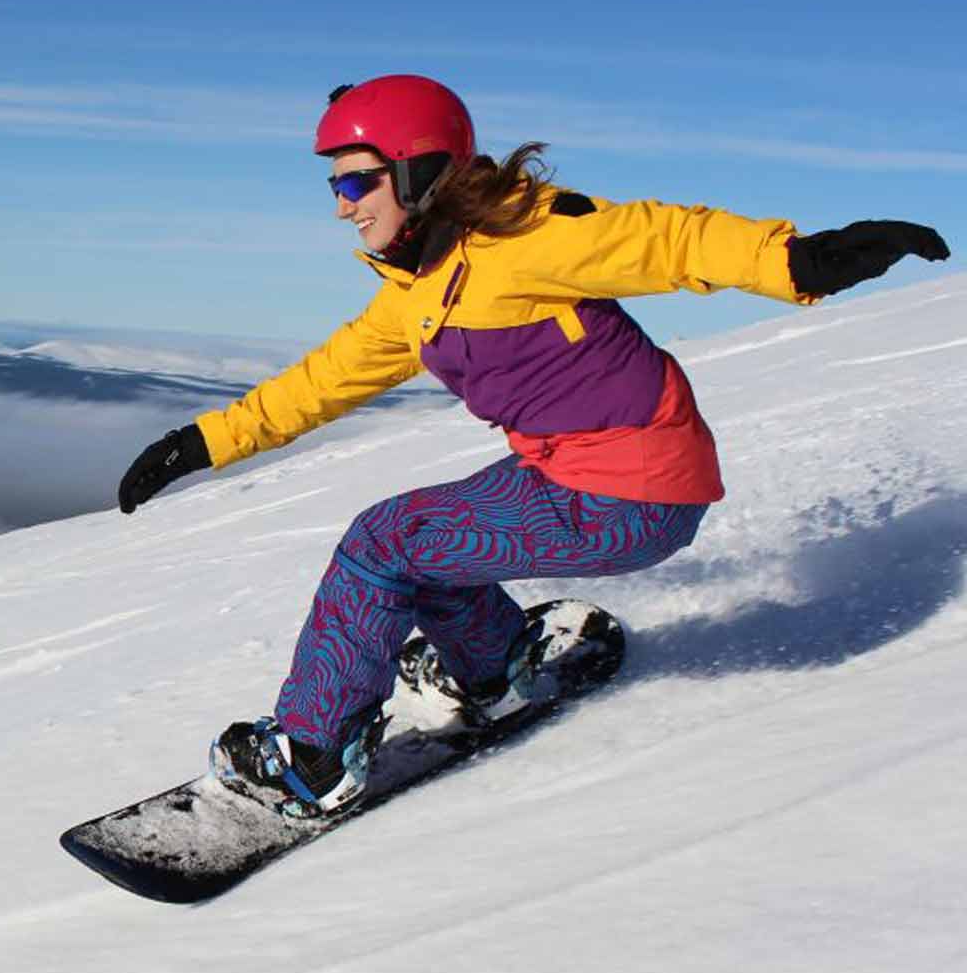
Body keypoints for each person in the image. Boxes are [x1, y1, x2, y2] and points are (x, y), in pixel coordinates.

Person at [116, 74, 950, 820]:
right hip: (585, 474)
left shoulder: (527, 237)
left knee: (384, 543)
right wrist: (198, 444)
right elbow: (321, 381)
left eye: (355, 179)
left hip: (629, 491)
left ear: (416, 170)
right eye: (336, 182)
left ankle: (314, 757)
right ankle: (493, 668)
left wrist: (800, 259)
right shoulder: (419, 291)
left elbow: (665, 239)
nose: (341, 204)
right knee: (424, 539)